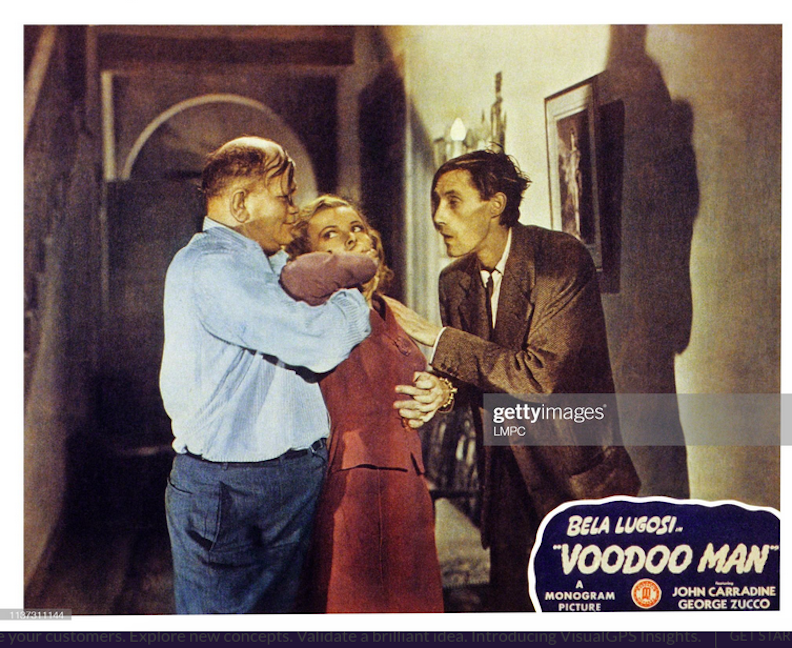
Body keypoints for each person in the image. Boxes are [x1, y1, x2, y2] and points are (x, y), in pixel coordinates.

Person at [385, 149, 640, 612]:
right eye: (436, 202)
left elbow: (540, 378)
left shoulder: (560, 259)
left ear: (496, 205)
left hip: (573, 479)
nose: (438, 216)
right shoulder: (454, 281)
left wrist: (436, 338)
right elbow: (477, 376)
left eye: (453, 201)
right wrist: (443, 390)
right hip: (503, 488)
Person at [159, 137, 372, 614]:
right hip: (233, 489)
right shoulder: (213, 267)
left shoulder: (263, 262)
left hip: (278, 483)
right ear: (240, 204)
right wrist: (349, 295)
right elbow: (316, 343)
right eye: (284, 197)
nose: (293, 211)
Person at [281, 195, 448, 613]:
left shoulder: (389, 308)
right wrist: (350, 266)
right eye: (330, 234)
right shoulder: (314, 305)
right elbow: (295, 274)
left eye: (357, 227)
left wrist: (438, 391)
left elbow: (410, 382)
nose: (352, 237)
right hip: (351, 483)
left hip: (409, 481)